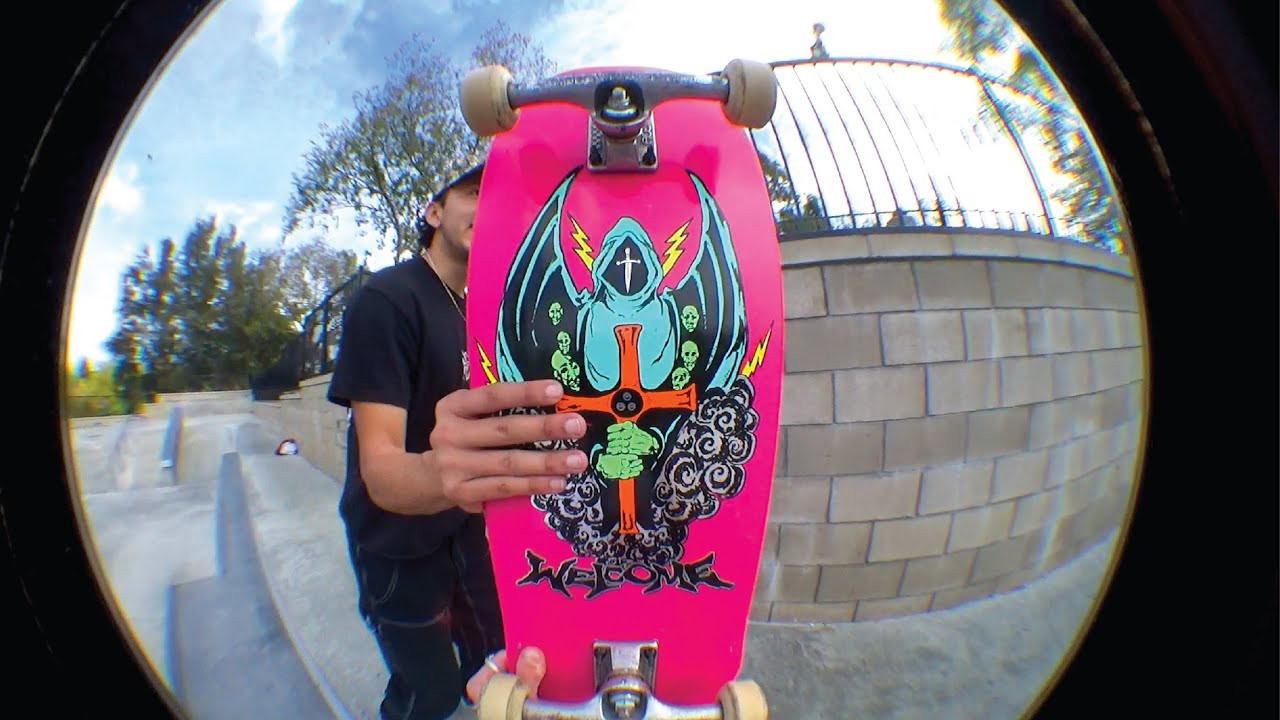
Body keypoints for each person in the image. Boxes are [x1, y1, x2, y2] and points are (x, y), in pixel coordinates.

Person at [326, 162, 588, 720]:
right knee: (427, 695)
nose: (486, 205)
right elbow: (381, 470)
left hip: (471, 538)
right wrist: (450, 473)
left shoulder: (484, 314)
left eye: (498, 197)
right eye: (473, 192)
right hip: (397, 547)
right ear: (434, 211)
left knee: (495, 672)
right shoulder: (390, 298)